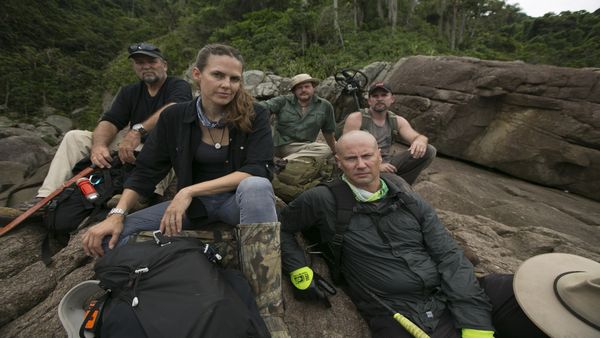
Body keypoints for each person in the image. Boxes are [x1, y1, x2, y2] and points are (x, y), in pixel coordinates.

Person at [81, 43, 288, 337]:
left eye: (234, 78)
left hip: (237, 204)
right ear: (197, 75)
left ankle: (268, 310)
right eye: (217, 75)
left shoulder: (255, 113)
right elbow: (146, 172)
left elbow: (257, 168)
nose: (227, 85)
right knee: (112, 238)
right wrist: (116, 213)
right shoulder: (174, 117)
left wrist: (187, 191)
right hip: (197, 209)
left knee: (257, 186)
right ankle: (155, 293)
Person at [280, 130, 547, 338]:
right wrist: (298, 271)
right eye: (351, 158)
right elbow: (282, 227)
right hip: (396, 309)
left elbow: (448, 255)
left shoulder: (403, 194)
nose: (361, 164)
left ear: (380, 157)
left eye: (367, 156)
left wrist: (475, 322)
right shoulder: (321, 199)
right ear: (339, 163)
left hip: (444, 290)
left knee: (525, 292)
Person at [20, 42, 192, 209]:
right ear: (134, 67)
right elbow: (110, 121)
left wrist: (137, 130)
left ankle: (141, 195)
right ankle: (45, 198)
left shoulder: (178, 86)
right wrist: (98, 146)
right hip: (131, 146)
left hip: (160, 146)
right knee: (74, 137)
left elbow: (175, 108)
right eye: (140, 63)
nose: (146, 66)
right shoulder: (129, 91)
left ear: (164, 65)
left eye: (152, 61)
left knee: (164, 147)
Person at [342, 82, 436, 185]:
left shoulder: (397, 120)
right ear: (369, 101)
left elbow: (416, 136)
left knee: (429, 150)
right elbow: (345, 150)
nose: (379, 99)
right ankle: (393, 184)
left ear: (392, 99)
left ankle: (401, 187)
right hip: (363, 164)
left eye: (384, 95)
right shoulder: (356, 118)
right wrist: (377, 166)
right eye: (375, 96)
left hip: (388, 163)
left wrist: (420, 140)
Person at [259, 73, 336, 160]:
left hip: (304, 147)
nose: (303, 90)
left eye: (307, 86)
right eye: (299, 88)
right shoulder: (283, 101)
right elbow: (260, 108)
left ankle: (283, 162)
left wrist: (335, 151)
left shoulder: (325, 106)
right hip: (279, 145)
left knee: (326, 150)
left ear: (313, 88)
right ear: (294, 91)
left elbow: (328, 132)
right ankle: (285, 161)